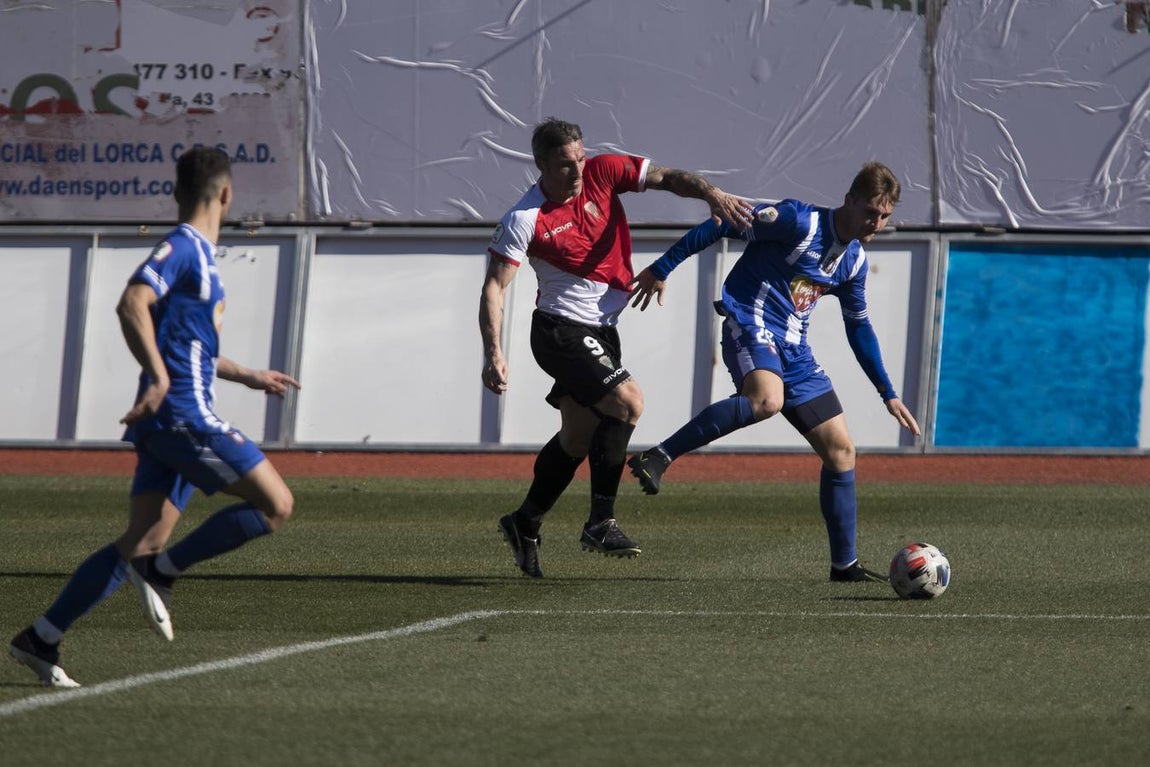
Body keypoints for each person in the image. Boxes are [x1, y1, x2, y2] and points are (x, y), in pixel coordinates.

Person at [8, 146, 299, 687]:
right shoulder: (184, 247)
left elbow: (193, 349)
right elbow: (132, 301)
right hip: (182, 415)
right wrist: (161, 380)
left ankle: (42, 636)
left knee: (141, 537)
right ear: (228, 194)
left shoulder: (204, 258)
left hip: (169, 418)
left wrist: (249, 375)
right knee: (277, 504)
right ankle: (162, 573)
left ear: (175, 191)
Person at [481, 117, 752, 578]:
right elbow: (494, 288)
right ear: (541, 163)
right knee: (628, 403)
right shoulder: (525, 218)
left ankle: (524, 521)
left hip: (602, 328)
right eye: (566, 164)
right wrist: (493, 353)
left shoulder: (603, 172)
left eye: (581, 158)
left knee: (577, 437)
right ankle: (600, 522)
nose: (578, 170)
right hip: (559, 330)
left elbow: (667, 178)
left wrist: (710, 193)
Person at [626, 161, 920, 583]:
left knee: (841, 451)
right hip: (750, 321)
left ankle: (845, 565)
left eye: (885, 215)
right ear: (850, 200)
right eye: (871, 211)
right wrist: (662, 267)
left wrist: (887, 392)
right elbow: (719, 224)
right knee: (767, 400)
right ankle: (660, 455)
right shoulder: (798, 221)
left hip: (795, 350)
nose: (877, 221)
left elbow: (859, 326)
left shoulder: (853, 260)